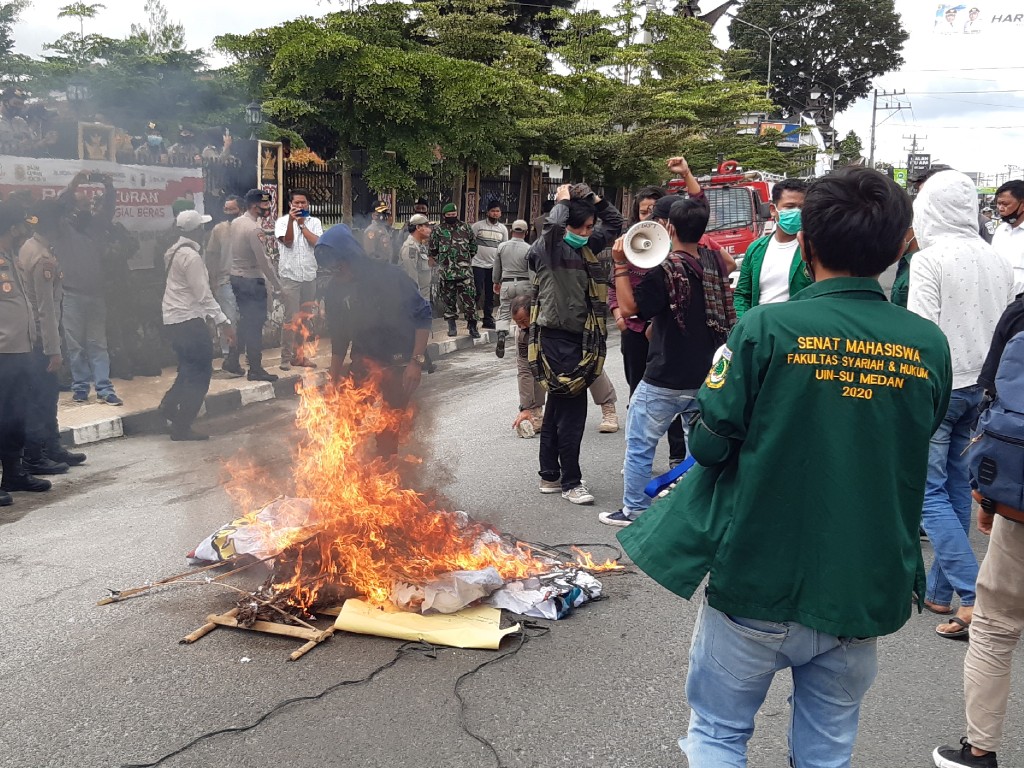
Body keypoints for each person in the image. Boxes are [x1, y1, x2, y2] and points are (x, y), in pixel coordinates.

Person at [618, 167, 953, 768]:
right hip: (860, 583)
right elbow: (912, 436)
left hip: (757, 576)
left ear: (808, 243)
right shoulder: (927, 343)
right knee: (826, 752)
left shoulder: (765, 329)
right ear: (902, 242)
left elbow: (713, 443)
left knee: (719, 735)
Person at [908, 169, 1016, 639]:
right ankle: (939, 593)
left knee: (926, 493)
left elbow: (920, 332)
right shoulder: (997, 258)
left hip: (940, 386)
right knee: (953, 485)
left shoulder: (929, 260)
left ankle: (973, 596)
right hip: (984, 388)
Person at [601, 197, 734, 527]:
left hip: (666, 374)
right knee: (696, 446)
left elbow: (630, 308)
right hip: (707, 374)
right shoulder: (714, 261)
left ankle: (634, 509)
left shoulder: (667, 269)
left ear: (668, 227)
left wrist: (619, 264)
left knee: (640, 444)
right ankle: (692, 506)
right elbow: (731, 263)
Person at [932, 310, 1024, 768]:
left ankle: (979, 751)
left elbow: (1001, 417)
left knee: (995, 626)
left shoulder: (1022, 310)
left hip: (1019, 507)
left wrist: (990, 502)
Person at [528, 182, 623, 505]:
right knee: (572, 413)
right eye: (582, 227)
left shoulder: (585, 247)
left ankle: (550, 476)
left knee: (557, 409)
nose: (588, 232)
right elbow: (552, 227)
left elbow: (616, 224)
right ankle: (571, 481)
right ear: (567, 225)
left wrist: (593, 199)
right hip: (557, 339)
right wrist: (563, 201)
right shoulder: (550, 249)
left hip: (580, 338)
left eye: (590, 227)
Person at [317, 224, 432, 458]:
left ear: (351, 256)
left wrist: (416, 362)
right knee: (348, 419)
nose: (337, 273)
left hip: (399, 361)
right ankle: (351, 477)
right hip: (364, 358)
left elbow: (423, 315)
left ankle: (388, 474)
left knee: (389, 425)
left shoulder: (390, 276)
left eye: (340, 266)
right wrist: (333, 380)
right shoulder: (334, 290)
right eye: (331, 270)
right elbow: (339, 339)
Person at [18, 201, 85, 475]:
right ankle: (36, 455)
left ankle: (51, 448)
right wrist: (53, 350)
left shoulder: (30, 247)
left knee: (46, 395)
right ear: (54, 223)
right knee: (42, 398)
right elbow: (45, 309)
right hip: (40, 340)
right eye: (63, 220)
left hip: (34, 336)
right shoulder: (42, 257)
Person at [159, 210, 234, 441]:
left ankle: (168, 407)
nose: (205, 230)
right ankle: (182, 426)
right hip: (188, 321)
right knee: (201, 373)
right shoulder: (191, 258)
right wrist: (224, 322)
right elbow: (204, 295)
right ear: (196, 231)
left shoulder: (173, 252)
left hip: (174, 320)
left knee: (188, 368)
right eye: (202, 227)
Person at [55, 170, 122, 405]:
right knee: (75, 346)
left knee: (98, 344)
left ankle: (104, 388)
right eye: (79, 202)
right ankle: (81, 387)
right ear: (73, 205)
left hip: (96, 294)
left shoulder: (96, 225)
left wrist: (109, 186)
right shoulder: (63, 228)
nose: (84, 207)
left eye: (86, 204)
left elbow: (109, 207)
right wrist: (74, 182)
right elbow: (59, 204)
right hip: (71, 294)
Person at [0, 202, 52, 504]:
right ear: (11, 228)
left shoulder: (11, 258)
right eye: (20, 227)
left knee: (14, 416)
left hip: (19, 350)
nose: (23, 233)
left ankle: (14, 472)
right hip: (2, 353)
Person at [510, 296, 620, 437]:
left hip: (568, 338)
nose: (522, 327)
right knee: (534, 367)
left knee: (590, 367)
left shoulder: (552, 318)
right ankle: (535, 413)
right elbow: (524, 369)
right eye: (518, 324)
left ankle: (608, 410)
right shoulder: (521, 333)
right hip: (544, 350)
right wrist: (525, 407)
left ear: (534, 312)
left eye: (524, 321)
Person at [733, 178, 811, 317]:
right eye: (790, 207)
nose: (797, 212)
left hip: (799, 332)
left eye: (802, 207)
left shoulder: (814, 248)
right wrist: (743, 323)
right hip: (760, 330)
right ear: (773, 210)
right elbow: (742, 294)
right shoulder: (756, 249)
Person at [230, 189, 283, 382]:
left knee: (245, 322)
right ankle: (255, 368)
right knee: (254, 326)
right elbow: (264, 262)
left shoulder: (236, 223)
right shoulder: (254, 229)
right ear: (255, 206)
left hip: (236, 277)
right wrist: (278, 285)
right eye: (265, 205)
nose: (268, 208)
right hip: (252, 281)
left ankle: (232, 360)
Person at [275, 188, 322, 370]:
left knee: (305, 318)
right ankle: (285, 358)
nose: (300, 206)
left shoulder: (315, 222)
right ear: (290, 205)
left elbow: (316, 243)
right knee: (290, 319)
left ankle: (300, 356)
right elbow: (287, 242)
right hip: (290, 277)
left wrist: (302, 225)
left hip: (309, 276)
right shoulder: (281, 222)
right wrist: (292, 223)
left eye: (303, 203)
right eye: (297, 203)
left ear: (308, 204)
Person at [205, 195, 243, 374]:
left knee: (246, 319)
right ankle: (229, 355)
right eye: (226, 209)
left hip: (247, 281)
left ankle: (244, 353)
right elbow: (211, 256)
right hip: (225, 281)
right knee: (228, 319)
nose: (228, 213)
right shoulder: (218, 230)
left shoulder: (249, 227)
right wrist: (212, 281)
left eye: (232, 209)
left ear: (240, 210)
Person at [429, 203, 479, 338]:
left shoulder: (465, 227)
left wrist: (465, 260)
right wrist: (443, 261)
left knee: (469, 301)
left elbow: (473, 247)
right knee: (448, 301)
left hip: (465, 273)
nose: (452, 217)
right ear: (444, 216)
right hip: (447, 273)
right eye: (449, 215)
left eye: (454, 215)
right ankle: (452, 326)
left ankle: (473, 327)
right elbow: (433, 249)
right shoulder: (438, 230)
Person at [492, 219, 532, 358]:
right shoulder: (529, 249)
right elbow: (531, 271)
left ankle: (502, 334)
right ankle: (526, 342)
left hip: (507, 284)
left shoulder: (502, 247)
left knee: (504, 310)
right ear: (526, 233)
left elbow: (497, 268)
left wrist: (496, 282)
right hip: (525, 284)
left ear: (511, 231)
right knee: (527, 313)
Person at [471, 202, 508, 330]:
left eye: (497, 211)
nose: (495, 213)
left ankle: (488, 319)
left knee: (490, 294)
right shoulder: (477, 226)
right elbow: (470, 242)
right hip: (478, 264)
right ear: (487, 212)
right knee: (476, 292)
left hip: (493, 266)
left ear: (500, 213)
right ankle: (472, 319)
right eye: (492, 211)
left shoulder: (503, 229)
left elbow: (504, 248)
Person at [991, 179, 1024, 295]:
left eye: (1005, 204)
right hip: (998, 300)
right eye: (998, 204)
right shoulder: (1001, 231)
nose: (1000, 208)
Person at [400, 213, 432, 301]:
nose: (429, 229)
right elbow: (411, 278)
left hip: (424, 296)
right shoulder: (410, 248)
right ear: (418, 228)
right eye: (427, 226)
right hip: (416, 298)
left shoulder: (420, 245)